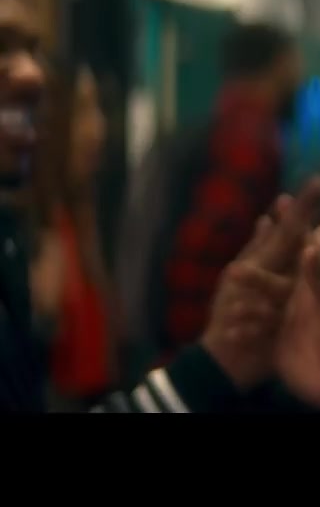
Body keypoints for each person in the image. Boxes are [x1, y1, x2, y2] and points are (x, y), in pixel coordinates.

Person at [0, 0, 320, 413]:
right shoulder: (247, 141)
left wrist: (218, 359)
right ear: (278, 67)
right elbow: (196, 258)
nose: (33, 75)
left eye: (33, 50)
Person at [116, 22, 302, 375]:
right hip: (208, 359)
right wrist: (206, 359)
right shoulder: (249, 140)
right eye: (295, 67)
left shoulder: (222, 129)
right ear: (279, 65)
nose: (300, 79)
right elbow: (205, 252)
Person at [29, 63, 117, 410]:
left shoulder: (81, 218)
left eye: (98, 110)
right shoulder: (30, 229)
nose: (98, 129)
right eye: (82, 111)